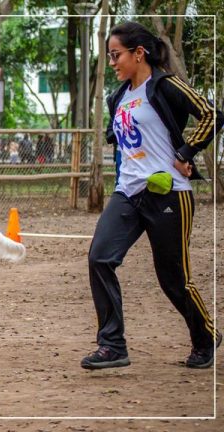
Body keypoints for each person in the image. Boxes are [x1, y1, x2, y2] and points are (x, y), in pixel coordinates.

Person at [82, 21, 223, 370]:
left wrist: (186, 153)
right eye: (110, 56)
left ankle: (205, 337)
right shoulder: (119, 96)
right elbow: (128, 142)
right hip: (128, 193)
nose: (112, 62)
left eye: (117, 55)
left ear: (138, 53)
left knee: (173, 278)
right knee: (100, 257)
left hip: (169, 194)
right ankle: (112, 345)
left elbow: (210, 114)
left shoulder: (164, 84)